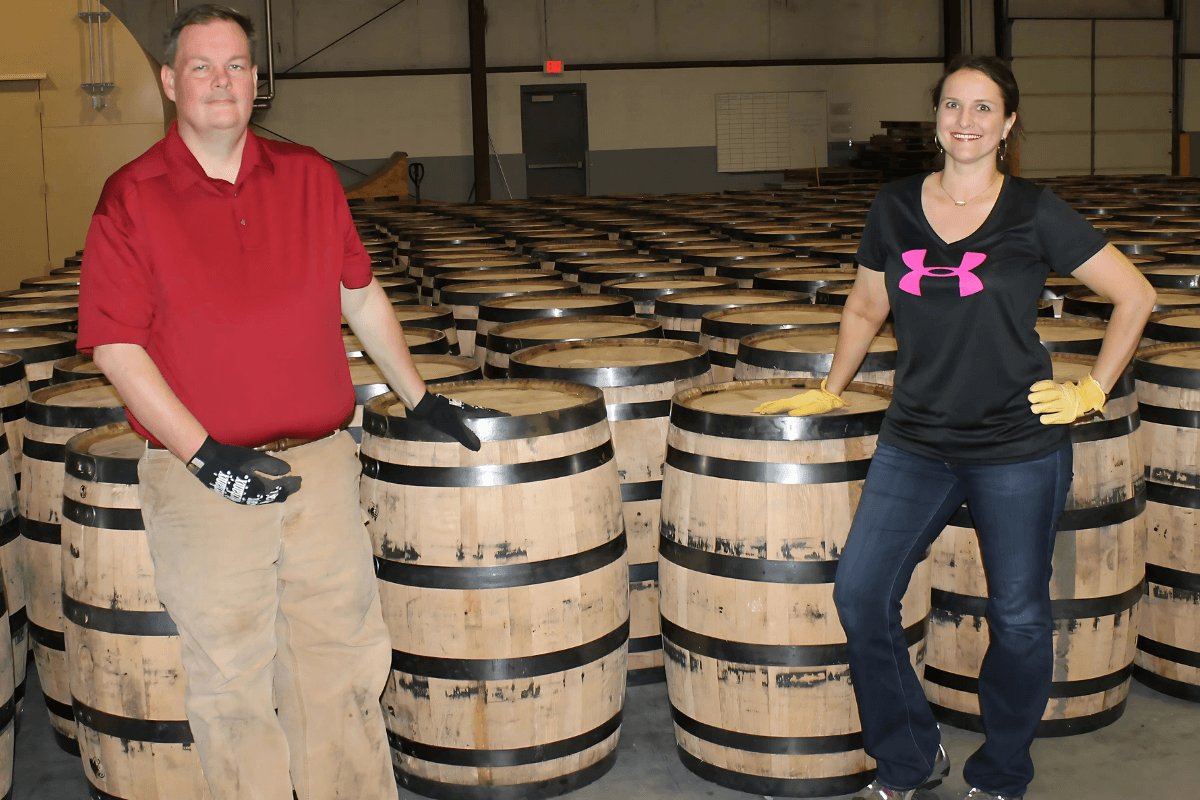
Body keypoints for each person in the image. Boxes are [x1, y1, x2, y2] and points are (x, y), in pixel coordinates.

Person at [77, 5, 488, 798]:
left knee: (341, 665)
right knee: (232, 682)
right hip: (203, 486)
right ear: (169, 82)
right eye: (202, 67)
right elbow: (115, 347)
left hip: (322, 471)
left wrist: (421, 395)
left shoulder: (305, 176)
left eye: (236, 66)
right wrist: (205, 454)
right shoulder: (131, 197)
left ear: (256, 83)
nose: (221, 82)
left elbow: (359, 297)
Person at [754, 54, 1156, 800]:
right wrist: (831, 390)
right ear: (935, 119)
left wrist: (1093, 390)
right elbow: (864, 309)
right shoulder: (895, 205)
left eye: (982, 109)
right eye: (952, 106)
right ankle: (908, 758)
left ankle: (1002, 772)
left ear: (1007, 124)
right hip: (915, 443)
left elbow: (1135, 295)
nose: (964, 121)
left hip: (1016, 447)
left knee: (1021, 618)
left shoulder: (1034, 209)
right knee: (860, 595)